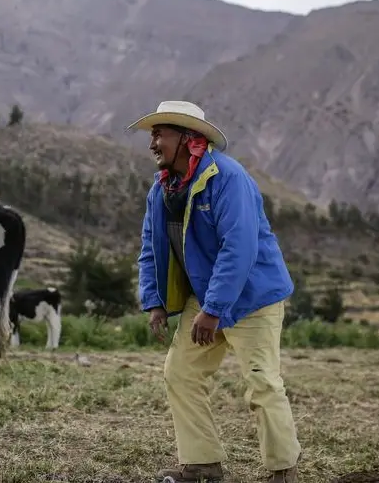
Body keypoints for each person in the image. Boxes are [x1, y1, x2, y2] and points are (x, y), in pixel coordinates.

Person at [127, 100, 302, 483]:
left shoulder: (227, 177)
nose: (152, 142)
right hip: (206, 297)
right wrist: (155, 300)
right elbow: (150, 247)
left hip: (253, 297)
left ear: (189, 139)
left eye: (160, 133)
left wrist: (214, 309)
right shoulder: (161, 190)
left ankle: (282, 470)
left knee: (262, 382)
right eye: (153, 134)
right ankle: (202, 462)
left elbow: (238, 247)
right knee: (181, 373)